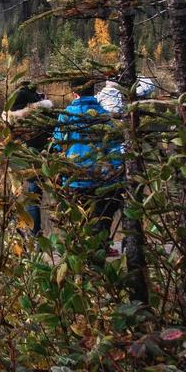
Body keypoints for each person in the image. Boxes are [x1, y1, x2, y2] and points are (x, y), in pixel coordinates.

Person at [51, 76, 124, 247]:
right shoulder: (105, 116)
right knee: (101, 220)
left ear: (74, 92)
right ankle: (102, 250)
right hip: (102, 179)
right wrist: (115, 174)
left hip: (74, 179)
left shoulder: (66, 116)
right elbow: (114, 148)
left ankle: (81, 255)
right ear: (93, 92)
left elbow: (57, 143)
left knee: (79, 221)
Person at [6, 81, 55, 235]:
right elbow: (53, 131)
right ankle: (38, 234)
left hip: (16, 160)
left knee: (19, 196)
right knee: (36, 196)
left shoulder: (9, 119)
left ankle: (22, 233)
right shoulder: (40, 116)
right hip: (39, 157)